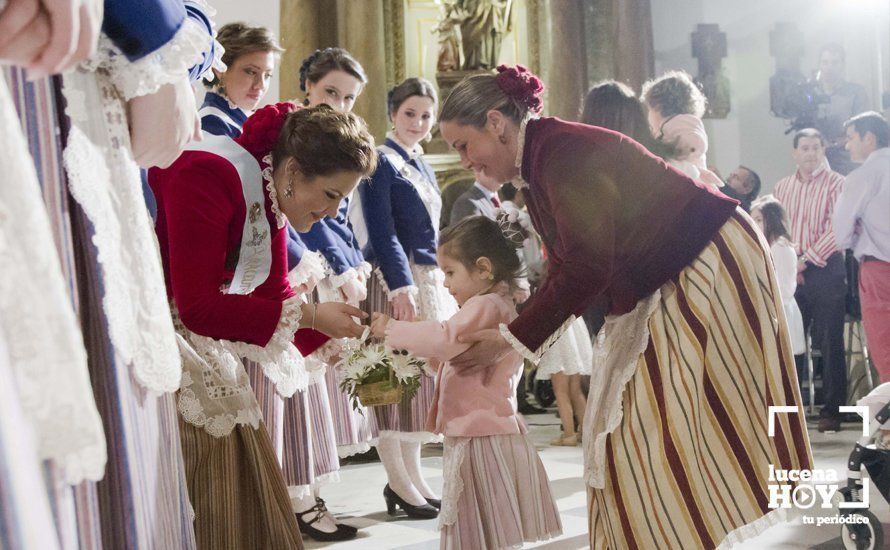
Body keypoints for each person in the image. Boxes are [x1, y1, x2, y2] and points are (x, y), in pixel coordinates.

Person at [439, 64, 811, 549]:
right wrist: (516, 327)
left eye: (464, 145)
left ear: (494, 121)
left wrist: (512, 339)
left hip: (704, 260)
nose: (465, 160)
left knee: (657, 423)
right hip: (667, 271)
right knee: (631, 431)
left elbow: (587, 265)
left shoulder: (560, 152)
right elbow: (573, 261)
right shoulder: (541, 157)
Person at [149, 103, 376, 549]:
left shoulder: (267, 188)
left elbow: (273, 291)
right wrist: (312, 317)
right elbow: (197, 307)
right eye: (330, 194)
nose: (331, 212)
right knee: (215, 472)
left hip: (204, 342)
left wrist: (336, 340)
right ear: (293, 170)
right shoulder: (205, 174)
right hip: (166, 336)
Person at [369, 214, 562, 548]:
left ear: (484, 268)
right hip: (484, 426)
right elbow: (454, 353)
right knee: (486, 517)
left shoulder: (485, 304)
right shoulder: (497, 302)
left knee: (476, 517)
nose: (445, 283)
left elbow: (446, 338)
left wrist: (392, 329)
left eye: (450, 272)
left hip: (479, 429)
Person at [352, 76, 458, 519]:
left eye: (425, 115)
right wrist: (401, 287)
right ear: (393, 113)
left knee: (416, 387)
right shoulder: (380, 161)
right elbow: (381, 231)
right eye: (409, 113)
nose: (417, 121)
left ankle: (412, 480)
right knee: (390, 385)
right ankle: (398, 482)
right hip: (394, 282)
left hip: (423, 276)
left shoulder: (421, 163)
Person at [774, 127, 847, 432]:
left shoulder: (837, 183)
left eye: (816, 147)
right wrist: (790, 260)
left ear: (823, 151)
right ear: (795, 152)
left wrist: (806, 260)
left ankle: (832, 412)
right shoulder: (781, 187)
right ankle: (792, 411)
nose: (811, 153)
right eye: (804, 148)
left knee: (829, 342)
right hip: (791, 270)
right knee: (790, 343)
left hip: (825, 268)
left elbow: (838, 228)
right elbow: (777, 227)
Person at [834, 111, 890, 381]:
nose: (847, 145)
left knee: (885, 348)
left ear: (869, 138)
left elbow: (840, 234)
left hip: (879, 270)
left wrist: (859, 234)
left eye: (851, 137)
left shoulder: (862, 176)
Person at [642, 70, 723, 188]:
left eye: (649, 108)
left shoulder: (680, 124)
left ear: (658, 106)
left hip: (691, 187)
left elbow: (691, 147)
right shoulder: (678, 124)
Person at [200, 22, 283, 137]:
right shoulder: (211, 125)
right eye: (251, 72)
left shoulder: (247, 120)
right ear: (220, 69)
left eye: (267, 75)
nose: (261, 85)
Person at [752, 196, 806, 356]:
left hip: (781, 318)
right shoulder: (769, 247)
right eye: (753, 219)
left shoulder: (780, 248)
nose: (754, 224)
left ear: (772, 221)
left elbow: (782, 291)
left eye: (759, 220)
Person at [804, 43, 871, 175]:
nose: (829, 67)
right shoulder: (810, 94)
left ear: (843, 65)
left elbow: (863, 128)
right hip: (816, 164)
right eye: (825, 62)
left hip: (848, 164)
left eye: (834, 63)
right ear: (820, 65)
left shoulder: (856, 93)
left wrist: (833, 143)